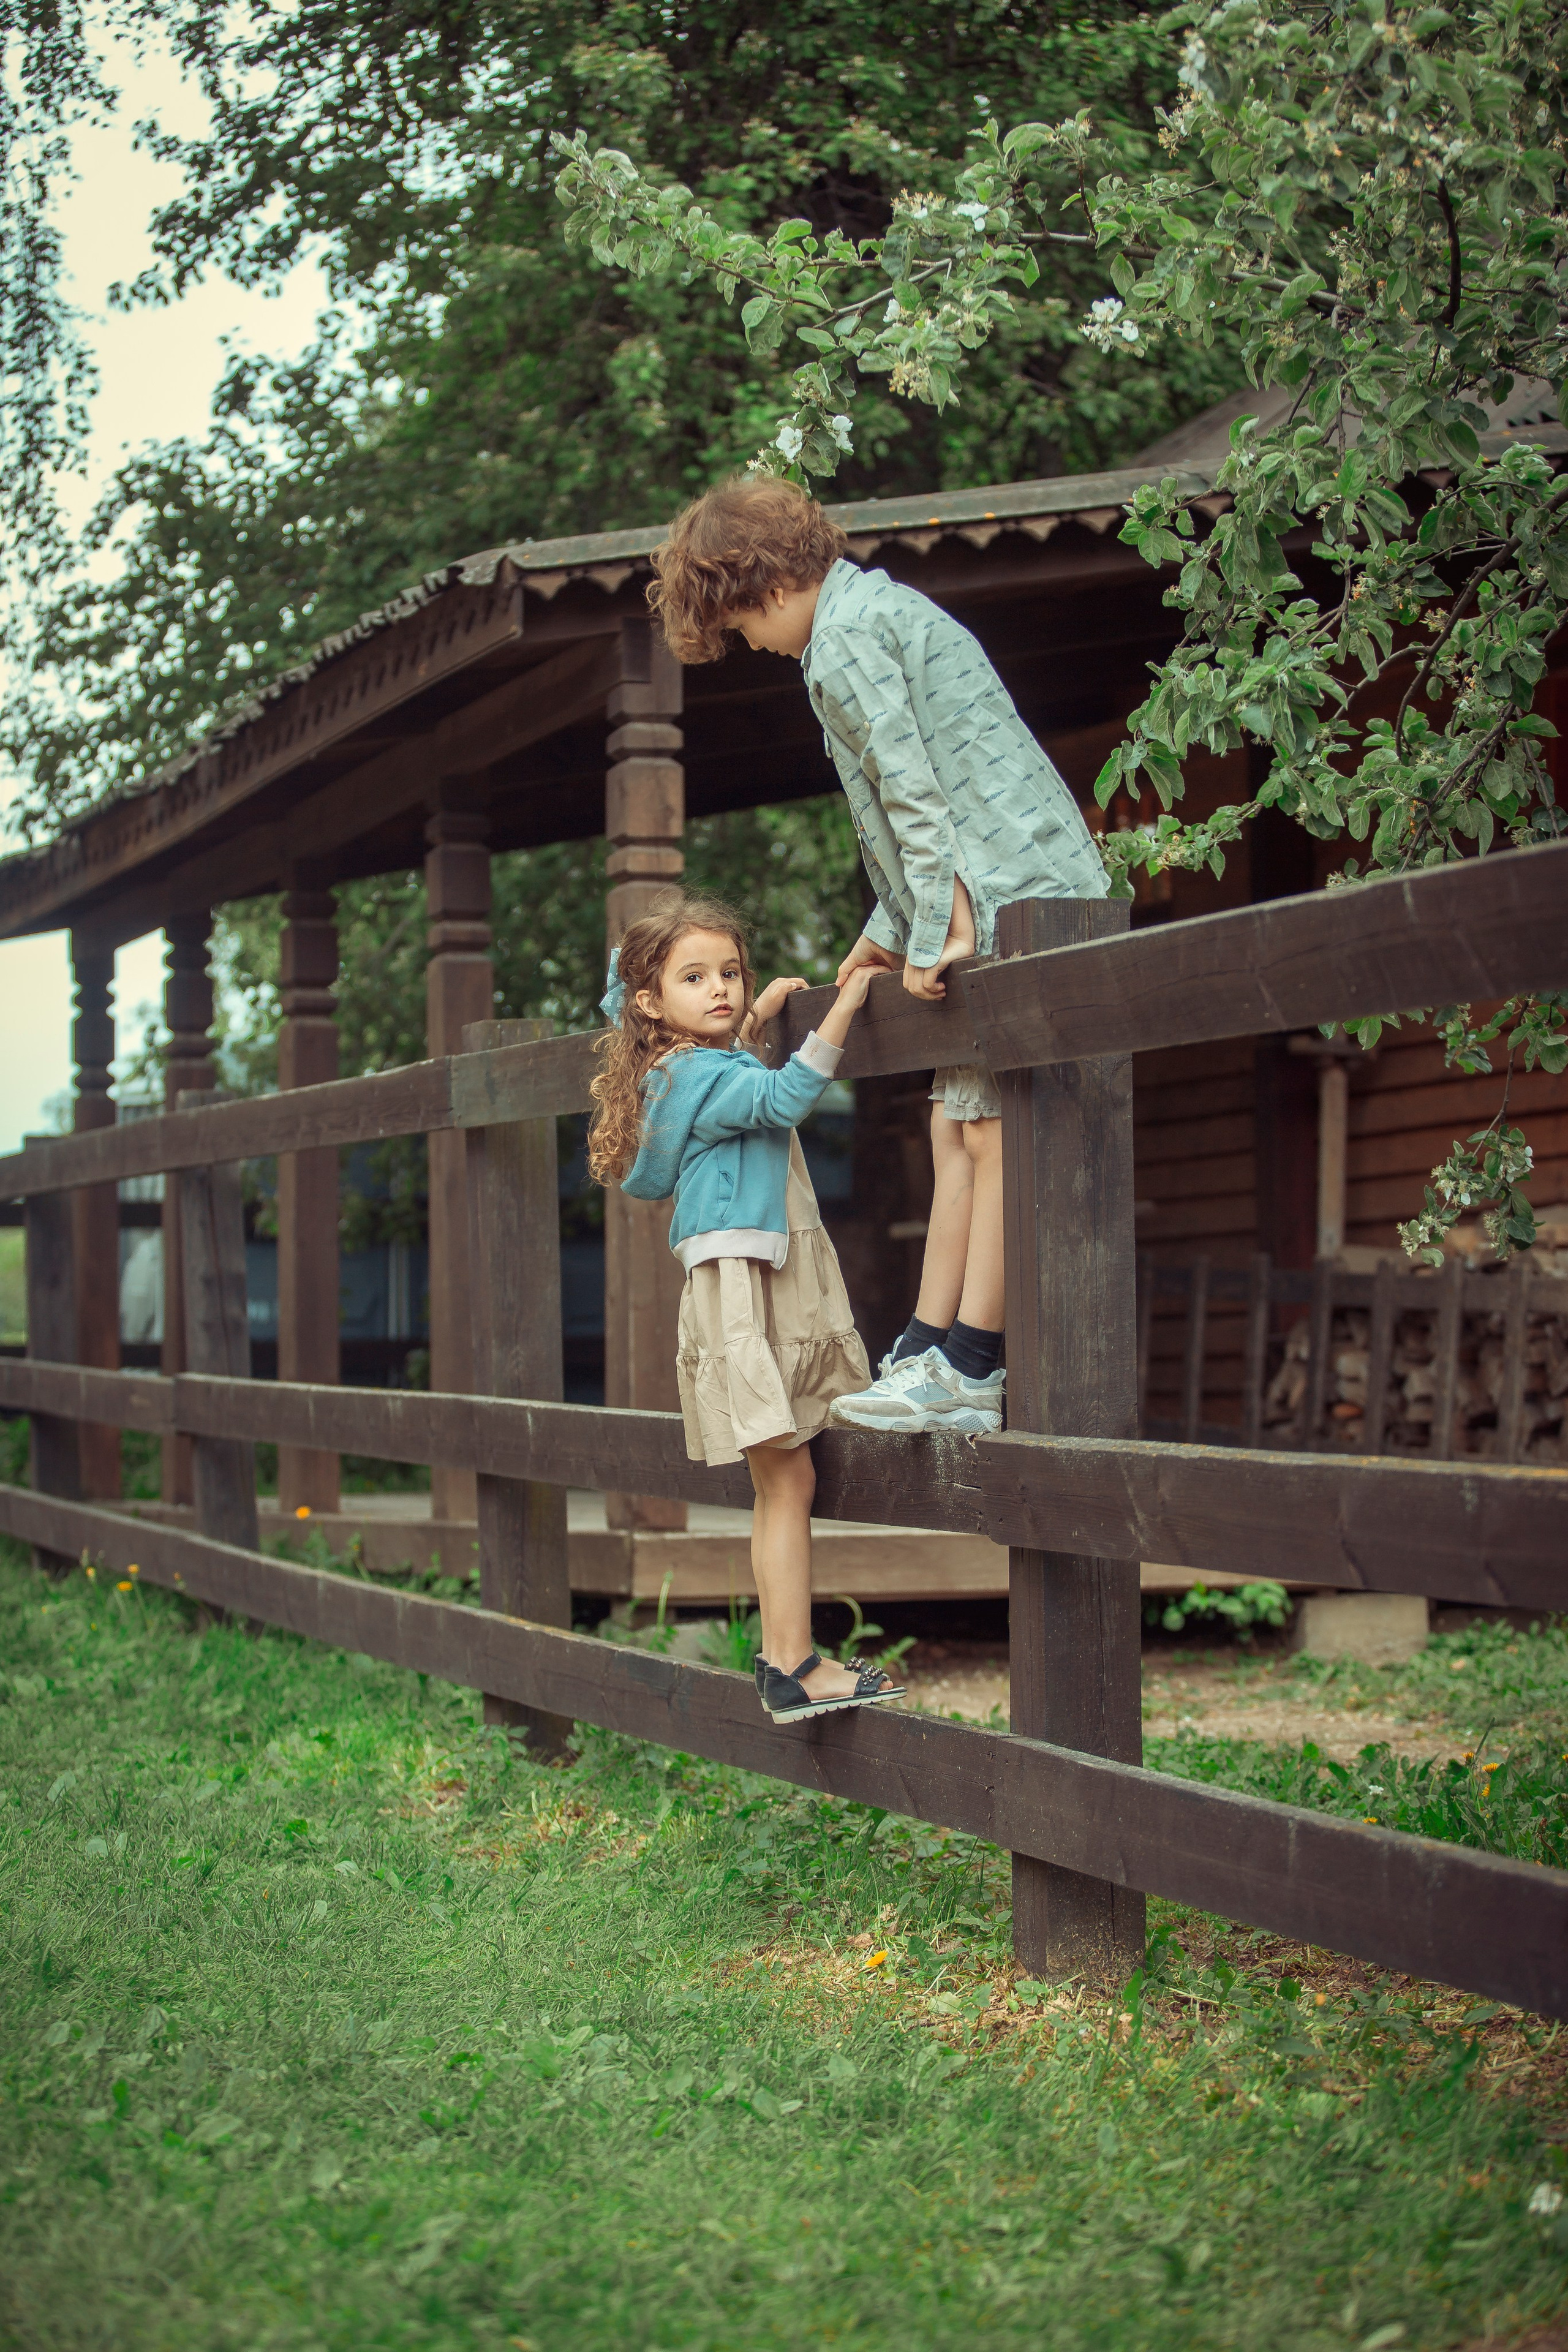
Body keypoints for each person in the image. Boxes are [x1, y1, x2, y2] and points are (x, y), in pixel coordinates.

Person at [647, 473, 1110, 1434]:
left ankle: (974, 1367)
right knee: (955, 1120)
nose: (747, 645)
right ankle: (930, 1342)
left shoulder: (845, 638)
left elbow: (914, 793)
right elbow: (906, 817)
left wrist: (939, 924)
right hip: (992, 889)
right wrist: (881, 938)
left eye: (738, 626)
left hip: (1013, 898)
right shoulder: (868, 615)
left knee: (987, 1128)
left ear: (767, 586)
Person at [588, 889, 904, 1725]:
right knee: (787, 1476)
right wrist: (844, 1009)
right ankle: (795, 1663)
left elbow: (735, 1090)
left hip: (739, 1279)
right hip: (742, 1288)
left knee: (782, 1480)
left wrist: (759, 1017)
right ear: (651, 1003)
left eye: (730, 971)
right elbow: (774, 1102)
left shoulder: (685, 1071)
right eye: (695, 978)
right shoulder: (696, 1073)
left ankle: (786, 1660)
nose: (721, 988)